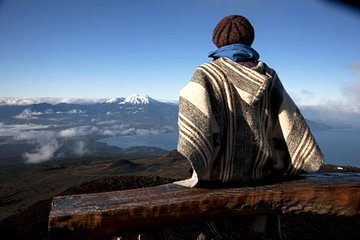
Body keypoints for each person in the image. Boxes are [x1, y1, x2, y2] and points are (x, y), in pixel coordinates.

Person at [175, 15, 325, 239]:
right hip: (261, 176)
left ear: (217, 41)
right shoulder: (269, 75)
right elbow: (290, 119)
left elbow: (193, 111)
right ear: (250, 40)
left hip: (216, 182)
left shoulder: (207, 74)